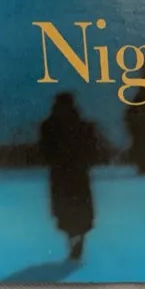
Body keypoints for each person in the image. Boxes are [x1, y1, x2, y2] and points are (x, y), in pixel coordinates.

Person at [37, 93, 102, 261]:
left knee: (66, 211)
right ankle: (77, 240)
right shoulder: (83, 125)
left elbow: (44, 151)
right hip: (78, 175)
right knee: (79, 211)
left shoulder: (49, 126)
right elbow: (92, 150)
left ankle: (73, 239)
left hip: (61, 176)